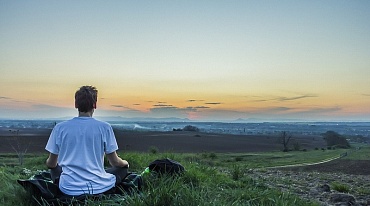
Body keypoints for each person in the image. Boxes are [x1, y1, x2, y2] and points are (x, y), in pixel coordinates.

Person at [45, 85, 129, 196]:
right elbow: (115, 162)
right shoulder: (105, 127)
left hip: (68, 189)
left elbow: (51, 164)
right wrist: (125, 163)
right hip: (99, 187)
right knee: (122, 169)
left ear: (76, 105)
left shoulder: (60, 128)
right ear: (95, 105)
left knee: (54, 168)